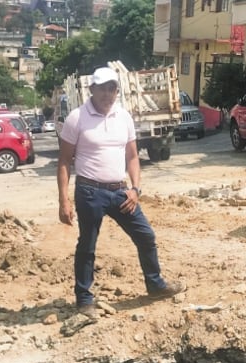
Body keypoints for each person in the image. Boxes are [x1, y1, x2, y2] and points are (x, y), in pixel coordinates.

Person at [57, 66, 184, 318]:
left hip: (120, 192)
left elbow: (133, 157)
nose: (107, 93)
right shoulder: (76, 118)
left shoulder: (124, 117)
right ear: (91, 89)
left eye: (112, 88)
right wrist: (63, 200)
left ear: (118, 90)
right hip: (89, 191)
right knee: (88, 245)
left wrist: (135, 189)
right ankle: (84, 300)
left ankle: (155, 284)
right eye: (102, 88)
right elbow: (64, 161)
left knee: (145, 235)